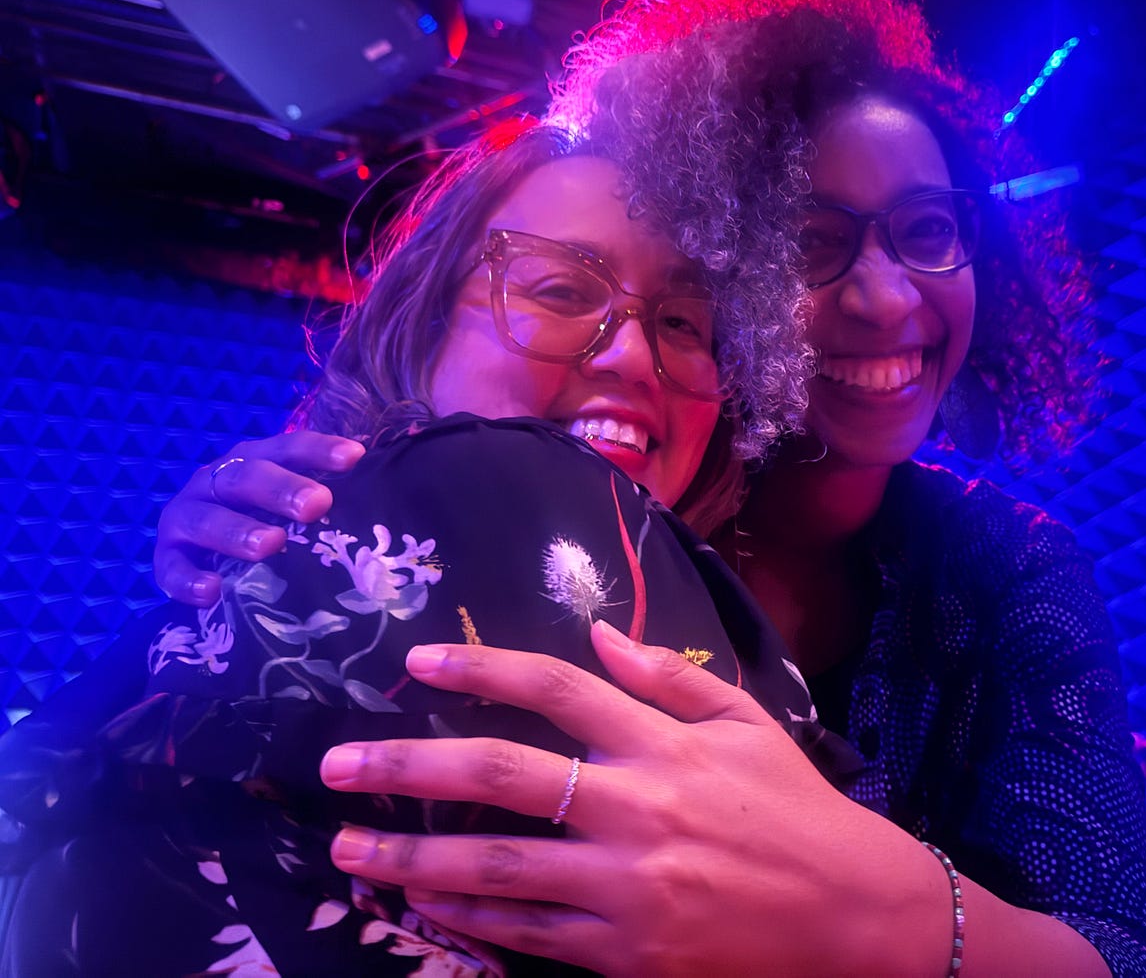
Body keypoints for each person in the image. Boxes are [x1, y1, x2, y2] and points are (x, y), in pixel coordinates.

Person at [146, 0, 1146, 976]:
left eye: (925, 231)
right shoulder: (599, 493)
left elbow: (1121, 958)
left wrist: (890, 914)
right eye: (811, 246)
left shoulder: (1007, 573)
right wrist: (253, 549)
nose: (885, 299)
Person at [0, 123, 844, 976]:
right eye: (558, 290)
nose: (632, 354)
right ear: (424, 320)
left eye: (683, 322)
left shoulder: (753, 654)